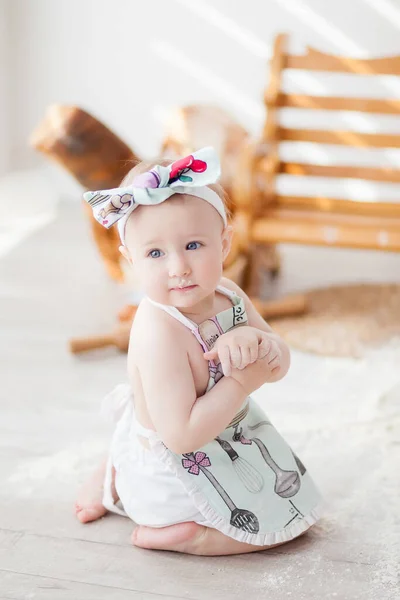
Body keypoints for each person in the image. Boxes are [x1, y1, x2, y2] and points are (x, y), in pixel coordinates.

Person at [75, 147, 321, 555]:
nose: (178, 267)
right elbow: (181, 437)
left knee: (300, 509)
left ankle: (114, 468)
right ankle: (186, 534)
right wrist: (242, 380)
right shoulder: (159, 331)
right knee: (279, 531)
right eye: (155, 253)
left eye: (193, 245)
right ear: (130, 260)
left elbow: (278, 362)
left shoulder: (229, 294)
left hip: (227, 434)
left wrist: (261, 345)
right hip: (175, 466)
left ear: (224, 243)